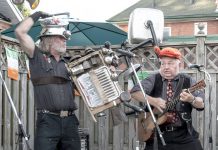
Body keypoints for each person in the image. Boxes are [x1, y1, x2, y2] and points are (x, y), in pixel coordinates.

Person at [15, 11, 81, 150]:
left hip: (70, 121)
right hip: (48, 122)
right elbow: (20, 32)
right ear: (49, 39)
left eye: (65, 38)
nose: (65, 40)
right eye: (61, 37)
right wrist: (37, 14)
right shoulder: (37, 57)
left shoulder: (70, 64)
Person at [131, 47, 204, 150]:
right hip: (156, 134)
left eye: (170, 63)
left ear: (179, 64)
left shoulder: (188, 80)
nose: (166, 67)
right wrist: (153, 101)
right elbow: (134, 92)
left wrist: (192, 99)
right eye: (163, 64)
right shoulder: (153, 79)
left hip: (184, 135)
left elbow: (201, 104)